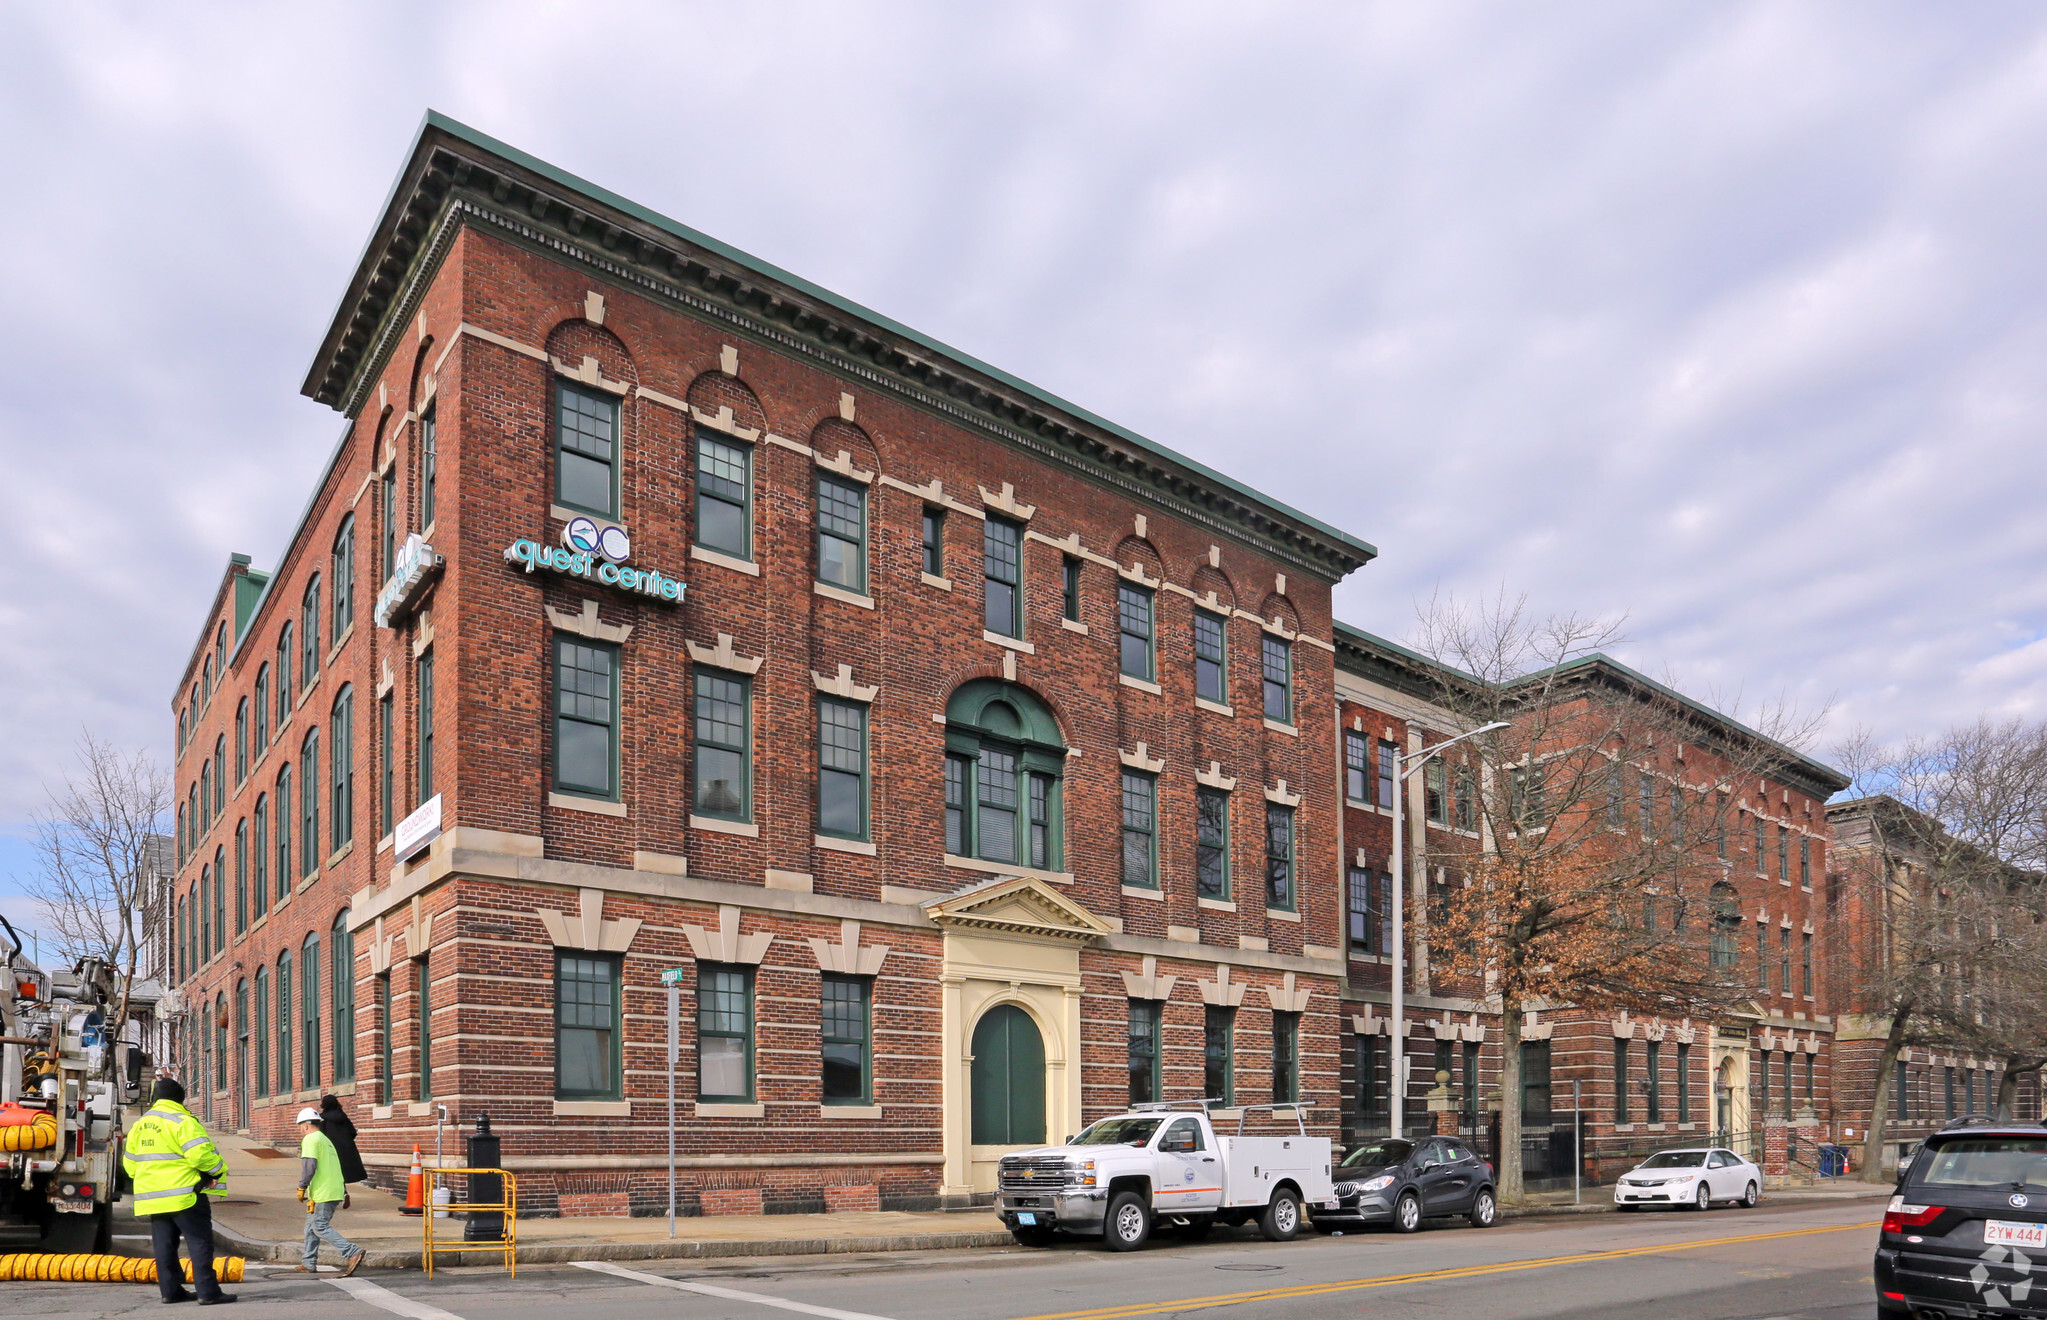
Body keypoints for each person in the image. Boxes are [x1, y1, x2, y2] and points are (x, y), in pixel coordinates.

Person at [121, 1077, 235, 1306]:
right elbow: (200, 1156)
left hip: (153, 1198)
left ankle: (171, 1291)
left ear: (155, 1098)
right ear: (180, 1099)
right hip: (185, 1196)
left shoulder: (139, 1125)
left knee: (164, 1246)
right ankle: (207, 1292)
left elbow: (130, 1166)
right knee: (200, 1243)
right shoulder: (182, 1121)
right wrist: (219, 1169)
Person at [295, 1107, 364, 1276]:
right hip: (332, 1189)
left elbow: (309, 1166)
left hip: (323, 1192)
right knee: (310, 1227)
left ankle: (352, 1251)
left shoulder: (311, 1139)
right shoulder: (325, 1139)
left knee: (319, 1226)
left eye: (299, 1126)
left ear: (305, 1125)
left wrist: (302, 1186)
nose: (299, 1130)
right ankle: (309, 1262)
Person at [318, 1094, 367, 1187]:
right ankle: (344, 1194)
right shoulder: (343, 1117)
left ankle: (339, 1194)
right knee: (343, 1176)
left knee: (332, 1175)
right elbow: (353, 1132)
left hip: (331, 1150)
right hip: (347, 1150)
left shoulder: (322, 1119)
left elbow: (321, 1136)